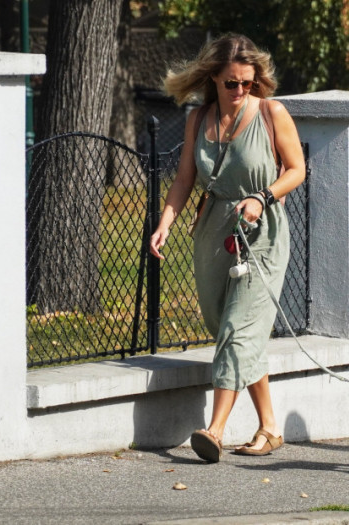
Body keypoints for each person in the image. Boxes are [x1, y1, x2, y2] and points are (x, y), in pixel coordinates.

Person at [150, 34, 306, 462]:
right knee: (229, 328)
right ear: (213, 78)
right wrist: (165, 223)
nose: (240, 91)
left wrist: (263, 197)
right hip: (215, 231)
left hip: (263, 231)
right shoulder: (198, 118)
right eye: (231, 83)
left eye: (247, 83)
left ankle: (214, 430)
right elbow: (184, 179)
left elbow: (297, 170)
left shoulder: (272, 113)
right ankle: (271, 428)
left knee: (239, 329)